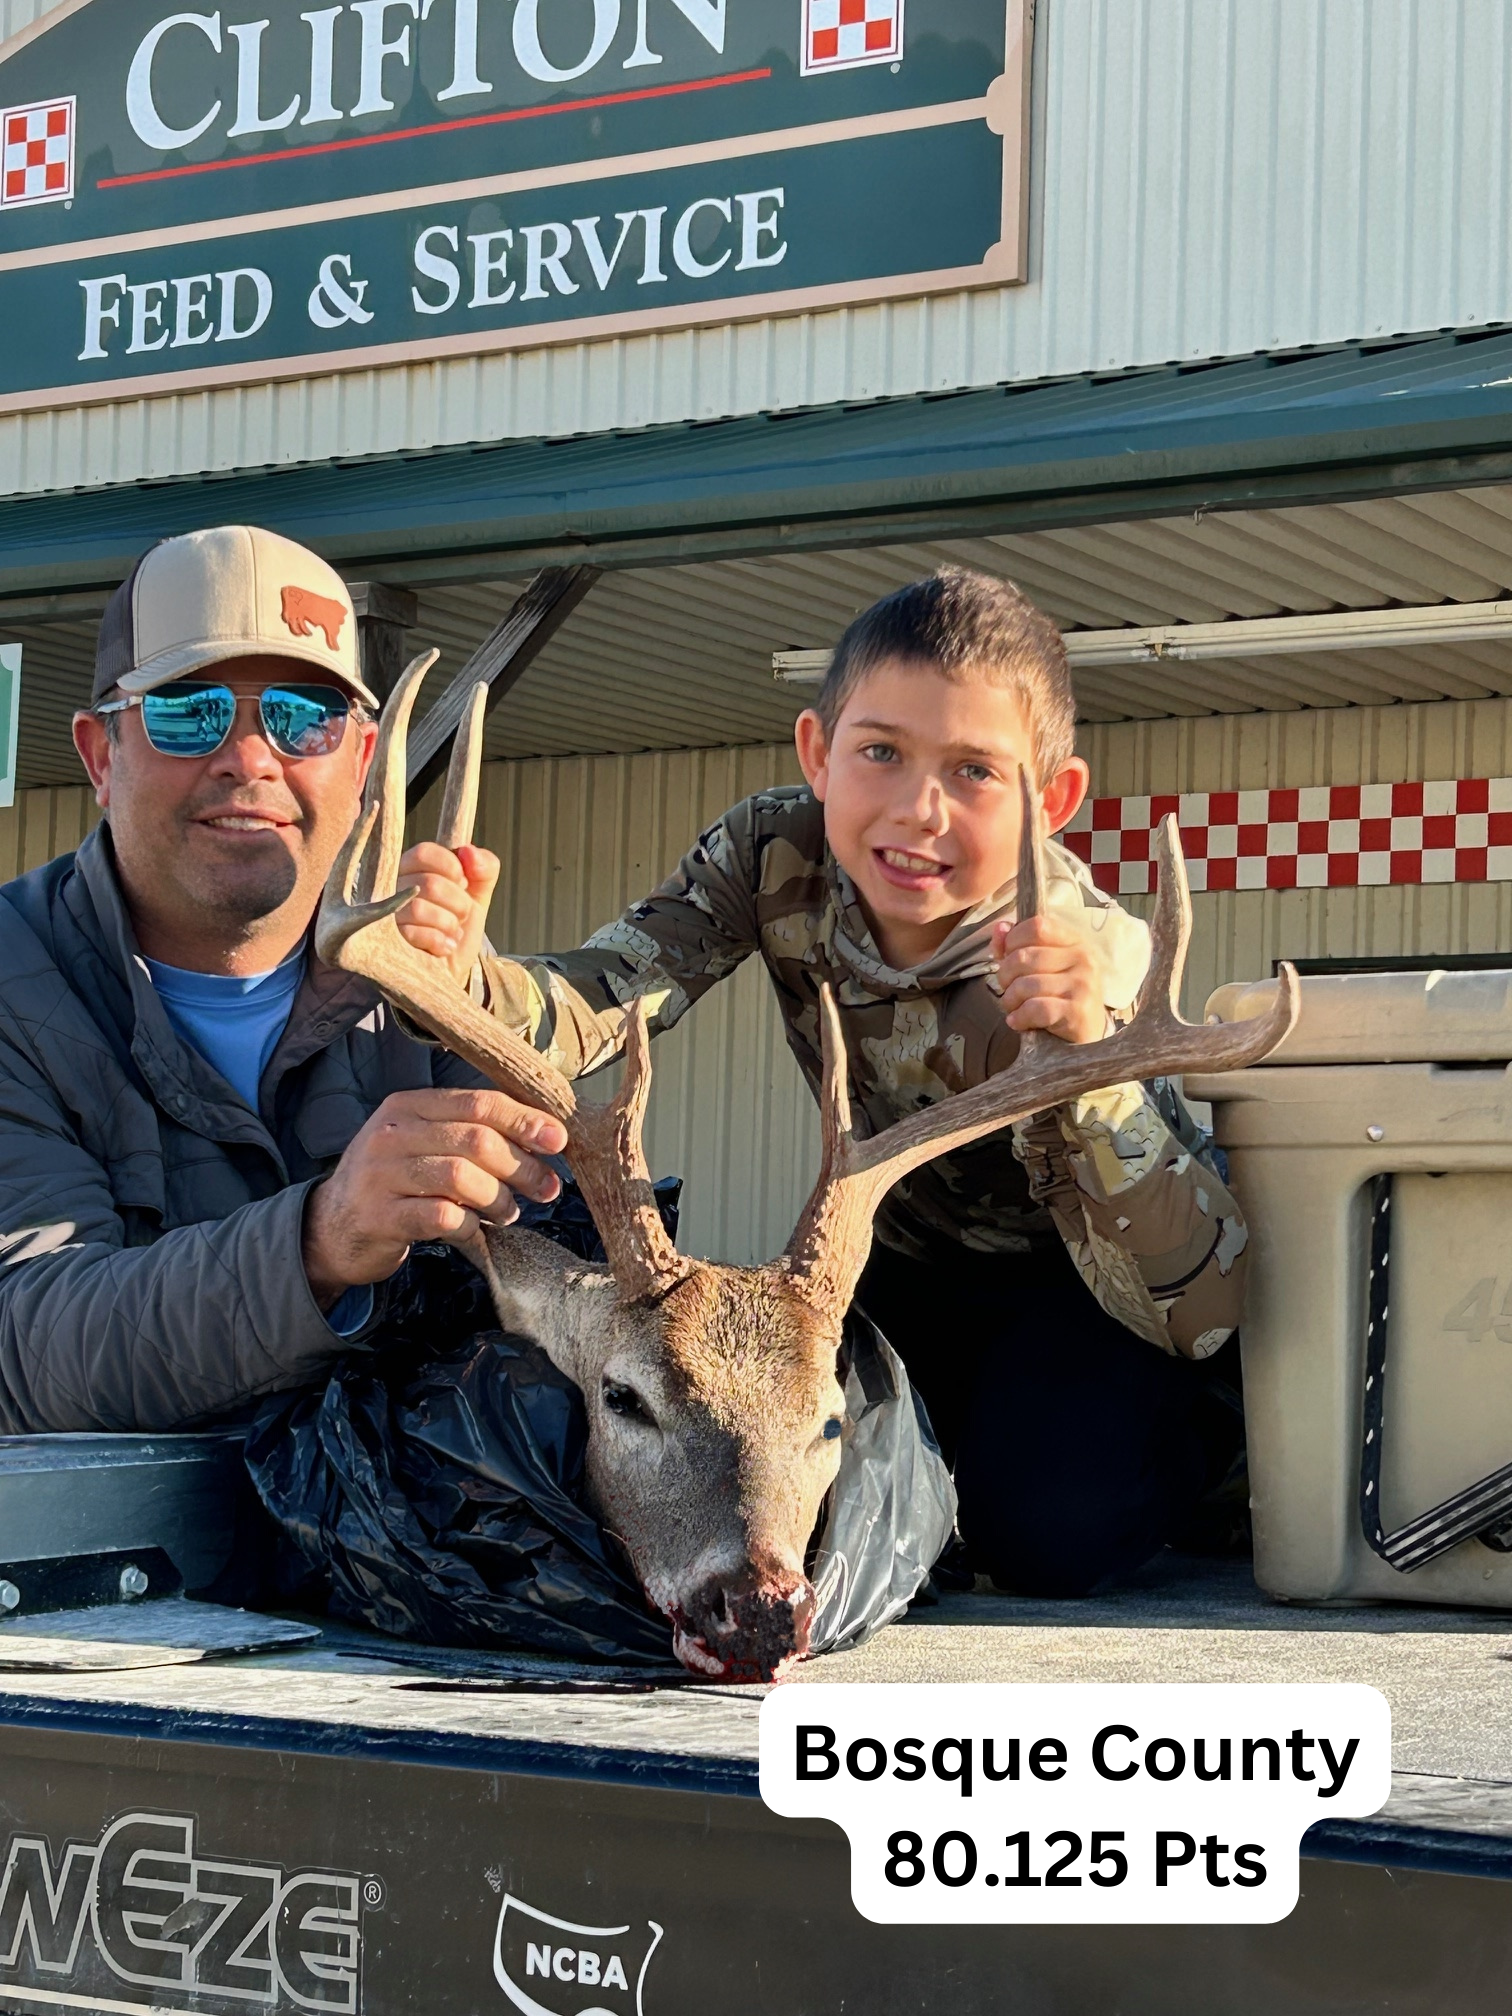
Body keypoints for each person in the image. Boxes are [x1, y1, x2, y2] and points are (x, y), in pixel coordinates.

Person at [400, 567, 1253, 1597]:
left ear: (1053, 799)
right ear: (818, 754)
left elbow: (1196, 1311)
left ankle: (1219, 1460)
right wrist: (464, 972)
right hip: (893, 1275)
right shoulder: (775, 852)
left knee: (1049, 1536)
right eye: (881, 752)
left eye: (976, 772)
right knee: (826, 1499)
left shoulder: (1087, 959)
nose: (917, 810)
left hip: (1082, 1298)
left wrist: (1089, 1074)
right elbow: (599, 1002)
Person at [0, 525, 566, 1434]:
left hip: (405, 1569)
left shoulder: (435, 989)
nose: (252, 758)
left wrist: (482, 1017)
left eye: (306, 717)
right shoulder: (14, 988)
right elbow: (28, 1347)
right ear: (101, 757)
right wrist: (321, 1240)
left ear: (363, 760)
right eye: (190, 710)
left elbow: (582, 1282)